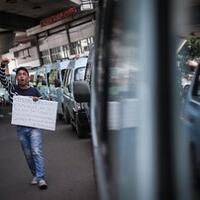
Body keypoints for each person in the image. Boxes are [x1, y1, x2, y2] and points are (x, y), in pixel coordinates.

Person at [0, 59, 48, 190]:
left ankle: (41, 178)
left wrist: (38, 101)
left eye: (24, 74)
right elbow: (2, 79)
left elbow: (45, 108)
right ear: (17, 78)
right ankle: (35, 174)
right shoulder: (12, 90)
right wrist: (3, 66)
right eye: (19, 74)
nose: (21, 76)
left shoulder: (35, 91)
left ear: (28, 78)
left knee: (36, 151)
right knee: (28, 154)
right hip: (21, 128)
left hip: (34, 127)